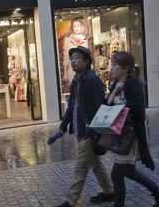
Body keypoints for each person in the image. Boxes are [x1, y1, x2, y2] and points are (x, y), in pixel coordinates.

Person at [47, 46, 114, 207]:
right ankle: (110, 191)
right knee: (95, 163)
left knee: (80, 168)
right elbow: (72, 107)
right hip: (80, 130)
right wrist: (62, 128)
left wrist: (95, 130)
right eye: (72, 58)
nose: (73, 61)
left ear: (86, 61)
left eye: (77, 58)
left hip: (88, 132)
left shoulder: (91, 79)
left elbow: (100, 107)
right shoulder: (77, 80)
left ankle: (69, 201)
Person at [107, 52, 159, 207]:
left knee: (117, 173)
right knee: (126, 172)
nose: (111, 68)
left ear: (125, 68)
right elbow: (107, 104)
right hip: (121, 134)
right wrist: (115, 92)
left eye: (115, 65)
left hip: (131, 135)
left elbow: (136, 110)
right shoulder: (116, 84)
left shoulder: (134, 83)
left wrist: (117, 100)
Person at [63, 19, 89, 87]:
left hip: (83, 69)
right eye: (74, 26)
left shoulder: (85, 39)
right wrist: (65, 73)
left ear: (81, 26)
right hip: (72, 69)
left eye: (78, 26)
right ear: (72, 27)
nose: (76, 28)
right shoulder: (68, 40)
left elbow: (87, 55)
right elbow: (66, 57)